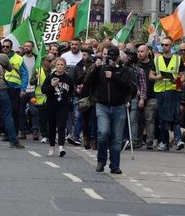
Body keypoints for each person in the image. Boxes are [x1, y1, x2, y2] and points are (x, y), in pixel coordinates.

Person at [85, 45, 134, 174]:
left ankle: (115, 165)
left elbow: (128, 86)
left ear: (118, 58)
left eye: (112, 57)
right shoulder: (100, 69)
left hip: (118, 106)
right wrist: (96, 68)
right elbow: (88, 82)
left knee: (117, 138)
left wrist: (113, 76)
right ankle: (101, 160)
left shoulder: (123, 70)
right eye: (107, 56)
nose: (109, 60)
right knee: (103, 133)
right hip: (103, 106)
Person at [150, 37, 182, 151]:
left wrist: (177, 82)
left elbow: (183, 76)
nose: (164, 47)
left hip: (173, 90)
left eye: (166, 45)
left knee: (175, 116)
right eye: (162, 45)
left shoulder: (178, 59)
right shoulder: (156, 60)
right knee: (162, 118)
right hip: (160, 91)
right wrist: (157, 77)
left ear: (171, 46)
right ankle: (164, 142)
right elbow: (151, 76)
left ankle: (177, 140)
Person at [42, 57, 74, 157]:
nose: (60, 67)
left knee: (61, 125)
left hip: (63, 105)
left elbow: (71, 91)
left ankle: (61, 147)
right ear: (55, 66)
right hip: (51, 105)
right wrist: (51, 85)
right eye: (58, 65)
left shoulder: (68, 78)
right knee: (51, 126)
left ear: (65, 66)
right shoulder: (50, 77)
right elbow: (44, 90)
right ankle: (51, 147)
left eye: (62, 65)